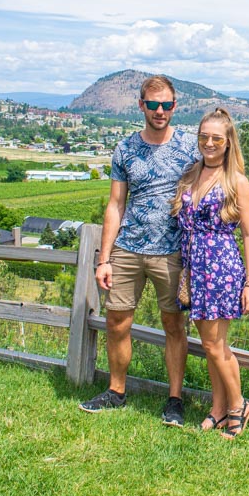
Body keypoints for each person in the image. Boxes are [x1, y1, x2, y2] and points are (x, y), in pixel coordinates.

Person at [79, 75, 200, 427]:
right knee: (117, 321)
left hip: (172, 251)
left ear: (175, 106)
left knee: (174, 326)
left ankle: (174, 400)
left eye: (166, 105)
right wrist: (105, 258)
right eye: (153, 104)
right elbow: (115, 205)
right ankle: (116, 392)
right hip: (128, 248)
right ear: (141, 106)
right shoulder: (125, 149)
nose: (160, 111)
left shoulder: (191, 149)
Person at [171, 107, 249, 439]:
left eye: (216, 138)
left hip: (221, 269)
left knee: (213, 344)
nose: (209, 143)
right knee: (212, 345)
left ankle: (238, 406)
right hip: (196, 268)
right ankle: (219, 410)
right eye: (204, 137)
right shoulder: (193, 173)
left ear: (228, 142)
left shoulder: (237, 181)